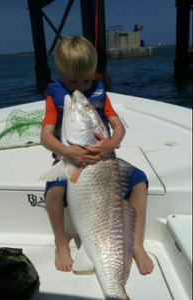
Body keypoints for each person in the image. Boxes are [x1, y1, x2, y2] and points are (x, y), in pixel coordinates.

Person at [41, 36, 154, 275]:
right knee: (53, 192)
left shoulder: (100, 94)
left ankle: (136, 244)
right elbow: (46, 136)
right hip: (68, 160)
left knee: (140, 180)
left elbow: (119, 126)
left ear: (94, 72)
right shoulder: (54, 99)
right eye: (72, 80)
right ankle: (61, 243)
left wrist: (110, 144)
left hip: (104, 160)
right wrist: (67, 151)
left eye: (86, 78)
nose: (80, 85)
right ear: (60, 72)